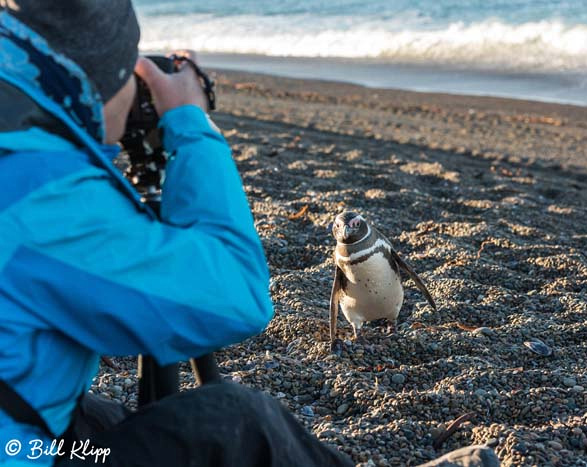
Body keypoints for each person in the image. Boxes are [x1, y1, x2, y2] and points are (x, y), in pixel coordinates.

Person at [0, 1, 354, 466]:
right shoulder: (35, 198)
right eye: (129, 71)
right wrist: (190, 122)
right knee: (240, 424)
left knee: (102, 419)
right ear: (96, 82)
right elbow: (236, 295)